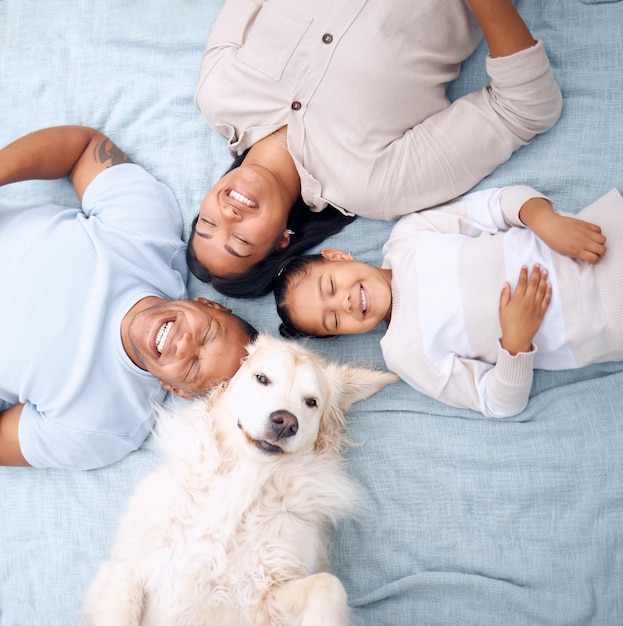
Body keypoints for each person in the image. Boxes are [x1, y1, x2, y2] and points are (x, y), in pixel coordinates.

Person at [189, 0, 563, 298]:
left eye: (208, 223)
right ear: (282, 240)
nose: (229, 215)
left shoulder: (218, 93)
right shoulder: (373, 186)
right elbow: (524, 107)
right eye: (240, 241)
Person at [0, 126, 257, 470]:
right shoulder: (149, 234)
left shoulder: (103, 429)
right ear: (210, 304)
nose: (183, 344)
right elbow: (82, 148)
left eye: (194, 366)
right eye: (208, 334)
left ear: (177, 390)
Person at [273, 185, 623, 418]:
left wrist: (545, 220)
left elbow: (497, 204)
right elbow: (497, 403)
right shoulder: (406, 354)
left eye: (331, 286)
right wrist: (516, 341)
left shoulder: (409, 237)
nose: (345, 303)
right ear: (343, 335)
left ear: (337, 256)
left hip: (604, 234)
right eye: (333, 320)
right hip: (607, 321)